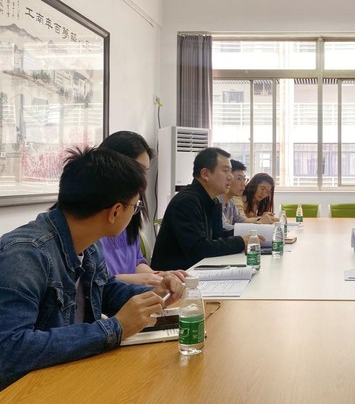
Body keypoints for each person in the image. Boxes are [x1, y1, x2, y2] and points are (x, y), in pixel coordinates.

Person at [0, 148, 183, 390]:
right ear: (115, 212)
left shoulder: (90, 243)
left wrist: (152, 295)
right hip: (28, 390)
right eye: (135, 206)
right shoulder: (25, 254)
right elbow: (9, 350)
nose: (135, 212)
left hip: (72, 375)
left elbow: (103, 289)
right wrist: (115, 328)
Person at [98, 131, 186, 285]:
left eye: (144, 172)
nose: (142, 180)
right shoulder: (92, 218)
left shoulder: (128, 212)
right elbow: (93, 283)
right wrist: (143, 280)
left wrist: (157, 276)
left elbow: (137, 262)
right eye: (137, 169)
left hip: (130, 294)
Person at [151, 147, 257, 271]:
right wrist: (240, 242)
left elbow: (217, 237)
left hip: (197, 270)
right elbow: (198, 248)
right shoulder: (186, 201)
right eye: (225, 171)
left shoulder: (213, 201)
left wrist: (249, 235)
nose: (230, 177)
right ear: (205, 174)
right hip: (174, 275)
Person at [218, 159, 248, 230]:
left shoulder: (230, 200)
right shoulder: (216, 200)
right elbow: (224, 228)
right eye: (239, 179)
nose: (243, 184)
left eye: (244, 179)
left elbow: (240, 220)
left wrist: (259, 221)